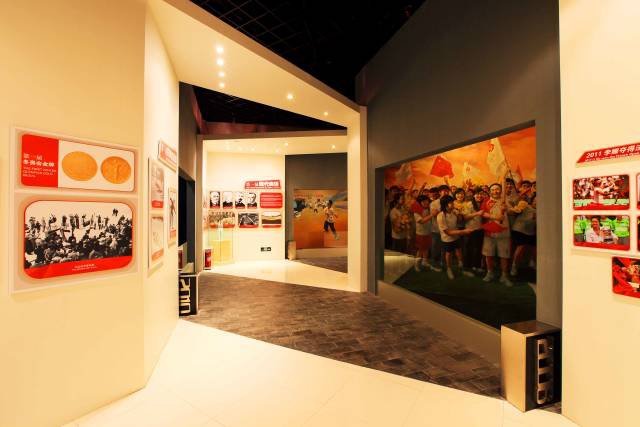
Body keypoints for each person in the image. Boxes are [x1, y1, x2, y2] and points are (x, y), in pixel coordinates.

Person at [481, 174, 513, 286]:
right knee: (488, 254)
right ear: (490, 192)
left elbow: (513, 212)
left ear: (501, 190)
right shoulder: (486, 201)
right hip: (490, 232)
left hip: (504, 232)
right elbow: (483, 214)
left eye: (497, 189)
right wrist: (495, 217)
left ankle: (504, 276)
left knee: (504, 255)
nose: (495, 191)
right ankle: (490, 273)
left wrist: (507, 208)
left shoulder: (505, 201)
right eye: (493, 190)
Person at [437, 195, 473, 280]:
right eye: (451, 203)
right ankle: (449, 269)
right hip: (447, 238)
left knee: (459, 251)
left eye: (452, 202)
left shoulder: (453, 211)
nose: (453, 204)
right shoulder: (441, 216)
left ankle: (462, 268)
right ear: (445, 204)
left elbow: (460, 221)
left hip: (456, 236)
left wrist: (459, 214)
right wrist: (463, 232)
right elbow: (447, 232)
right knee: (449, 253)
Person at [510, 194, 537, 277]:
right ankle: (514, 266)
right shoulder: (526, 205)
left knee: (535, 247)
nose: (537, 202)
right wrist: (518, 208)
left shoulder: (540, 210)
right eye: (535, 200)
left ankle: (532, 262)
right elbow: (517, 210)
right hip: (519, 230)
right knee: (520, 247)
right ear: (532, 200)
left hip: (530, 232)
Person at [461, 189, 486, 276]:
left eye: (481, 194)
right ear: (474, 195)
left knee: (478, 249)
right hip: (470, 230)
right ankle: (466, 268)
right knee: (468, 250)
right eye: (477, 194)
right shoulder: (469, 204)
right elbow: (465, 217)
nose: (479, 196)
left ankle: (476, 266)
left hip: (480, 230)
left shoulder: (483, 204)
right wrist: (477, 213)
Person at [413, 195, 435, 271]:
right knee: (420, 250)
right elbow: (421, 221)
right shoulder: (417, 211)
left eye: (427, 200)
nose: (426, 202)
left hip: (428, 232)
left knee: (426, 248)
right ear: (419, 202)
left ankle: (424, 261)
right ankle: (416, 265)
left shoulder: (428, 209)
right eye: (423, 201)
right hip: (420, 233)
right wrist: (432, 215)